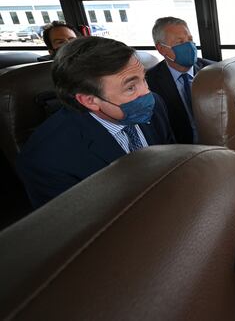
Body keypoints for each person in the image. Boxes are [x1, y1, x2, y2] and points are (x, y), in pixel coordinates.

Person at [17, 36, 175, 208]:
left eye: (144, 79)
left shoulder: (156, 105)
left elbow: (168, 157)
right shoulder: (46, 160)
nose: (147, 92)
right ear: (89, 101)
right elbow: (76, 229)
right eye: (130, 88)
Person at [146, 17, 213, 144]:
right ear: (161, 49)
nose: (189, 45)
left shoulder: (215, 71)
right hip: (180, 151)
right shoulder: (149, 82)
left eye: (190, 40)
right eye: (180, 42)